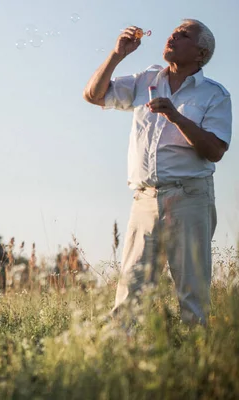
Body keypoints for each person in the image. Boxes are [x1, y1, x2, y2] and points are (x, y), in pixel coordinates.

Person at [83, 19, 232, 325]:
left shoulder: (215, 95)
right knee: (130, 292)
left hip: (190, 197)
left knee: (193, 293)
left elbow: (215, 150)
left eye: (183, 34)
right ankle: (125, 364)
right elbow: (94, 95)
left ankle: (195, 364)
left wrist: (176, 117)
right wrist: (116, 55)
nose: (172, 36)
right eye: (174, 32)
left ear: (201, 54)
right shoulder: (147, 79)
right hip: (145, 199)